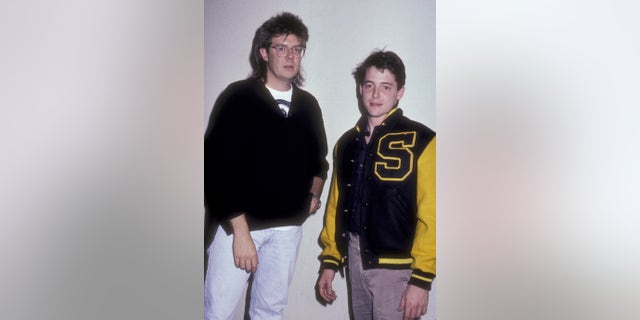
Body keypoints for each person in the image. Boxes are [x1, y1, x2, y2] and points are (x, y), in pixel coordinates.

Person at [204, 12, 328, 320]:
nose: (290, 56)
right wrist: (241, 233)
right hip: (239, 227)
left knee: (270, 312)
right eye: (281, 48)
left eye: (297, 49)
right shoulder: (238, 97)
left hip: (287, 229)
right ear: (264, 52)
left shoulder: (309, 105)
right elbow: (216, 166)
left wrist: (313, 194)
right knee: (219, 312)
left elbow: (319, 162)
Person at [316, 50, 436, 320]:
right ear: (360, 89)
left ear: (400, 91)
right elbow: (336, 207)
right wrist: (330, 261)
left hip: (398, 270)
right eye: (369, 85)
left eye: (386, 87)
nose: (375, 94)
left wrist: (422, 278)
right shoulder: (346, 143)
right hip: (354, 259)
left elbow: (434, 213)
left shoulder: (423, 140)